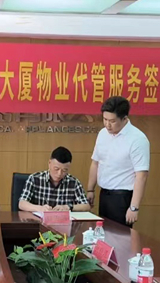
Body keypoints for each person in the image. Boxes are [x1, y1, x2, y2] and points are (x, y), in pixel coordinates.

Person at [87, 96, 150, 227]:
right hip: (104, 194)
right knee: (103, 233)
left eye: (112, 121)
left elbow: (141, 175)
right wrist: (90, 190)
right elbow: (96, 163)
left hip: (122, 198)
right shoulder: (102, 134)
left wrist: (134, 207)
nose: (107, 125)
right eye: (105, 119)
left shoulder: (137, 139)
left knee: (120, 236)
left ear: (124, 118)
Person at [19, 146, 91, 212]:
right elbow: (22, 203)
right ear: (49, 163)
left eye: (64, 170)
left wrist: (68, 207)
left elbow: (86, 206)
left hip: (63, 221)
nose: (59, 173)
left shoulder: (74, 182)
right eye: (56, 169)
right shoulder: (34, 178)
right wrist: (39, 208)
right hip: (38, 220)